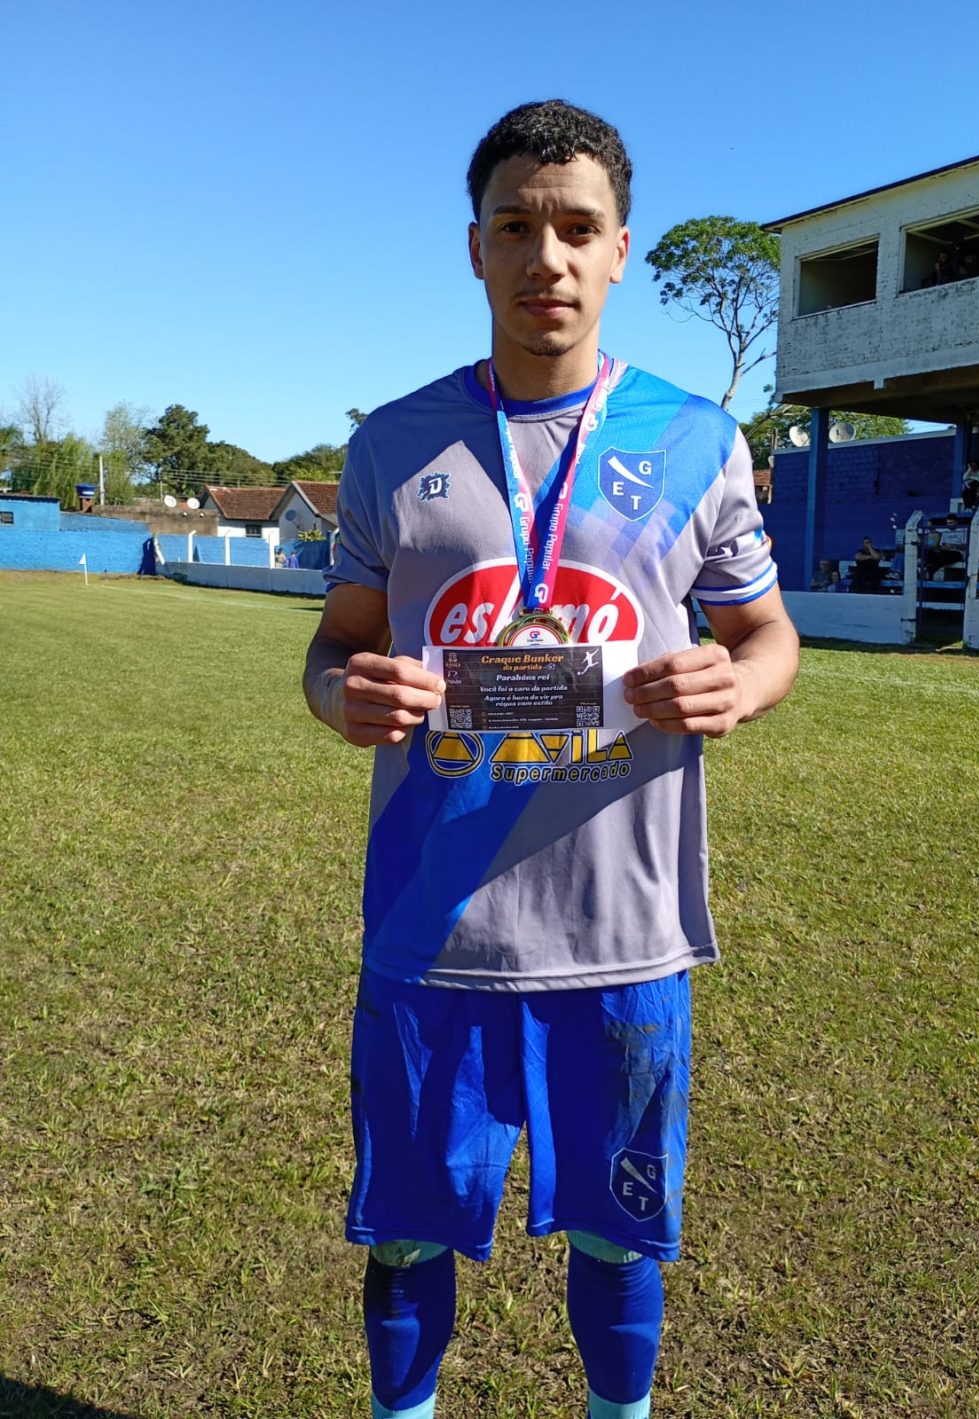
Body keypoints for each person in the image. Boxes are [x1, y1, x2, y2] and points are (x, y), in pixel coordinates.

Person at [302, 99, 800, 1419]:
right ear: (475, 246)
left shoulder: (698, 439)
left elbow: (768, 637)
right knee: (406, 1237)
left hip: (624, 934)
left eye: (577, 228)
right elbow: (336, 645)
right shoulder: (392, 444)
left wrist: (736, 685)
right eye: (516, 226)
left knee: (621, 1237)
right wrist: (342, 693)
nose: (547, 257)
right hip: (432, 930)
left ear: (620, 250)